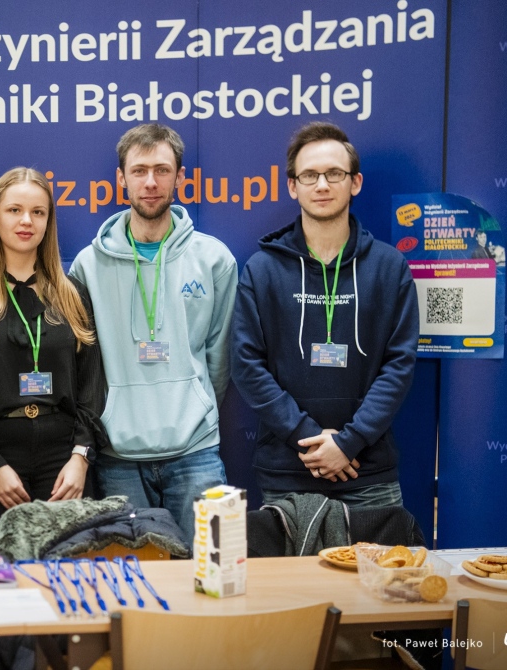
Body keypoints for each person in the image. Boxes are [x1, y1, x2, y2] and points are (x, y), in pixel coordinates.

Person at [231, 121, 419, 507]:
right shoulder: (262, 270)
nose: (322, 185)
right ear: (292, 185)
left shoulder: (389, 267)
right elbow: (246, 366)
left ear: (355, 182)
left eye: (334, 173)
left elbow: (399, 365)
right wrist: (310, 439)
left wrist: (349, 442)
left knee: (381, 554)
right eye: (310, 175)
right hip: (289, 471)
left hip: (368, 473)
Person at [69, 124, 238, 549]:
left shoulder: (214, 259)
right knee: (136, 580)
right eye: (139, 170)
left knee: (209, 571)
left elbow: (220, 357)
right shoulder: (87, 266)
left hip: (196, 452)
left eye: (162, 170)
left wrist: (195, 407)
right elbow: (83, 366)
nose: (150, 182)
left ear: (180, 177)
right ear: (120, 178)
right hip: (118, 456)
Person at [0, 167, 105, 547]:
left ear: (49, 221)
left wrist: (81, 457)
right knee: (7, 571)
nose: (26, 221)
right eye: (14, 210)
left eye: (38, 212)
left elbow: (92, 382)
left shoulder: (72, 294)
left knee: (64, 567)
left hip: (63, 458)